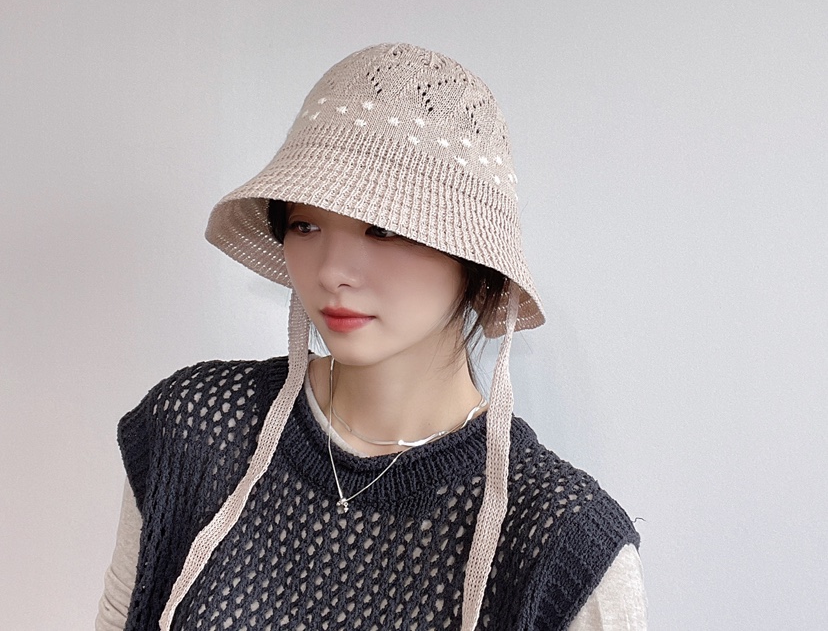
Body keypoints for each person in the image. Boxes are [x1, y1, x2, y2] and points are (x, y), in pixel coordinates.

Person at [96, 43, 647, 631]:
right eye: (305, 224)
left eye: (382, 229)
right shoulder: (196, 430)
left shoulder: (559, 542)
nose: (332, 270)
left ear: (474, 258)